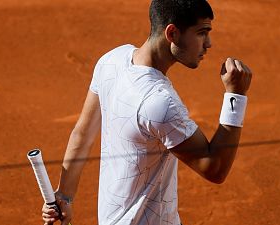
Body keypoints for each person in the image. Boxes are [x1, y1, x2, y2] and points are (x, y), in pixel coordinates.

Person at [42, 0, 252, 224]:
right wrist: (235, 95)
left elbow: (82, 135)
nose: (208, 43)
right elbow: (214, 168)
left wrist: (64, 196)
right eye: (202, 33)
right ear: (172, 33)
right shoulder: (160, 102)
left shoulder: (111, 61)